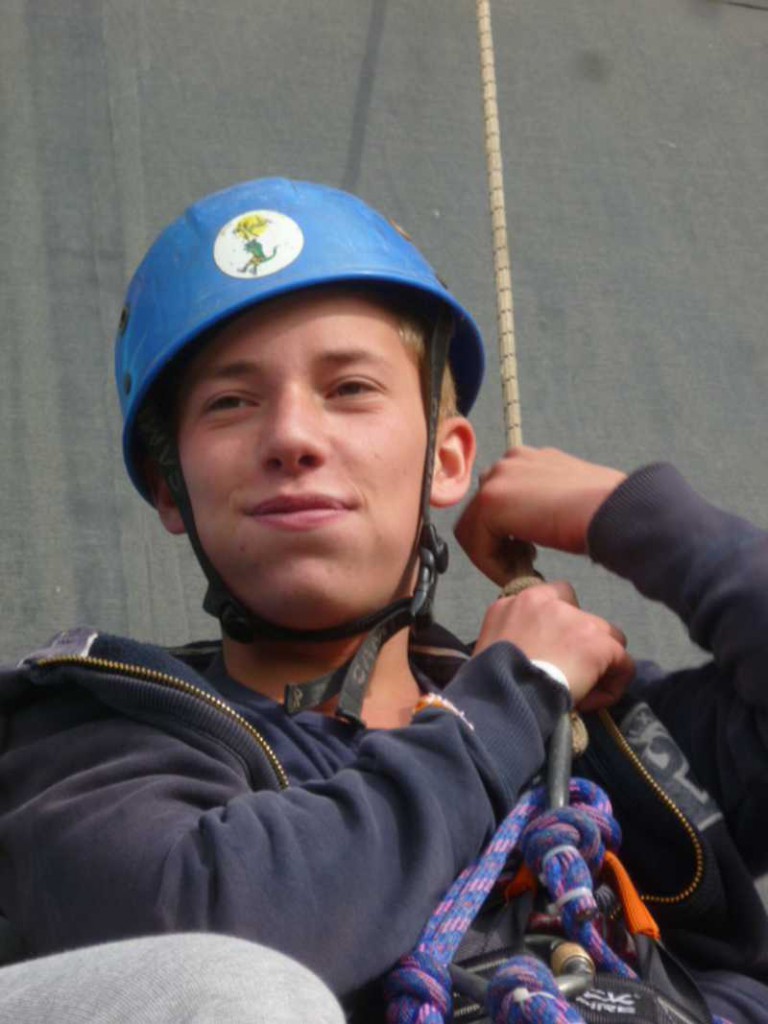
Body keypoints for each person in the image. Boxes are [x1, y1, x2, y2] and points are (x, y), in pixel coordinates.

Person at [0, 178, 766, 1023]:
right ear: (169, 488)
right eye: (231, 403)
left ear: (447, 459)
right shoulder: (94, 741)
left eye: (351, 389)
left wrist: (630, 515)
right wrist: (510, 698)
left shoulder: (593, 737)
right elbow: (210, 952)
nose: (292, 437)